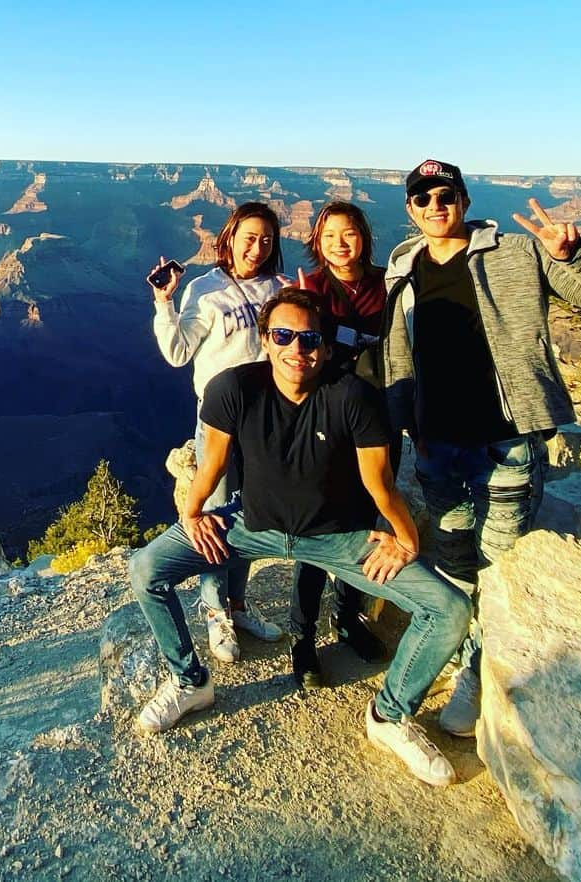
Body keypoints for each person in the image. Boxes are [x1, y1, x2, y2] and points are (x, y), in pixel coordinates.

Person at [129, 287, 471, 787]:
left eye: (309, 339)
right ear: (265, 340)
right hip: (249, 527)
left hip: (340, 537)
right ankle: (190, 682)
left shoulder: (353, 396)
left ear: (326, 347)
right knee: (145, 569)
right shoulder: (233, 388)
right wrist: (193, 514)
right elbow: (213, 464)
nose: (297, 350)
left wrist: (405, 539)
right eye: (283, 336)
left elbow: (380, 484)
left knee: (449, 610)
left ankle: (390, 714)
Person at [382, 158, 581, 738]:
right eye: (423, 199)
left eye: (446, 195)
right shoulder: (403, 266)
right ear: (410, 210)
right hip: (435, 442)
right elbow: (397, 355)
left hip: (507, 437)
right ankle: (456, 648)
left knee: (500, 559)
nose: (435, 206)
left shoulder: (518, 252)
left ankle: (478, 669)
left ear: (466, 201)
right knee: (454, 561)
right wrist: (400, 429)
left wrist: (573, 256)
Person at [151, 201, 291, 662]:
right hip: (219, 421)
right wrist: (164, 302)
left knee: (249, 515)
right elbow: (177, 352)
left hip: (269, 421)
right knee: (212, 517)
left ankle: (238, 604)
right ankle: (216, 616)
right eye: (249, 237)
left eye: (267, 239)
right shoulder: (205, 289)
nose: (258, 247)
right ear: (229, 238)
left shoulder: (282, 288)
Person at [288, 202, 389, 686]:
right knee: (316, 530)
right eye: (329, 237)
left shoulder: (389, 284)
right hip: (324, 422)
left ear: (364, 237)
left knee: (365, 527)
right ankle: (302, 638)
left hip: (378, 421)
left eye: (348, 234)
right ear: (317, 242)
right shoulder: (309, 290)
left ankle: (348, 619)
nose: (340, 245)